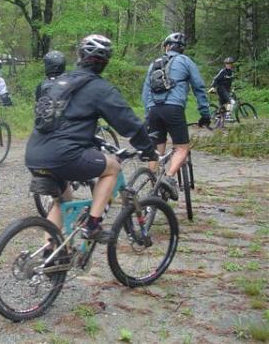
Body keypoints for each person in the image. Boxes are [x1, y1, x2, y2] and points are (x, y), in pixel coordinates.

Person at [26, 36, 157, 243]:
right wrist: (148, 149)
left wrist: (92, 140)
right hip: (63, 155)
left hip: (34, 152)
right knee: (113, 167)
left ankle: (51, 256)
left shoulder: (60, 82)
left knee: (62, 201)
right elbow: (129, 124)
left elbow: (62, 120)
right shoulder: (100, 89)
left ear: (79, 56)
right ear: (105, 62)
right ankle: (93, 225)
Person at [141, 32, 210, 200]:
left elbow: (145, 92)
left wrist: (147, 113)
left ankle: (153, 187)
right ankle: (169, 178)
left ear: (166, 47)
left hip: (153, 110)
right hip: (174, 109)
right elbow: (199, 87)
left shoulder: (154, 64)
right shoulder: (186, 61)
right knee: (182, 148)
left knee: (156, 150)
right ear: (182, 49)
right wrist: (204, 113)